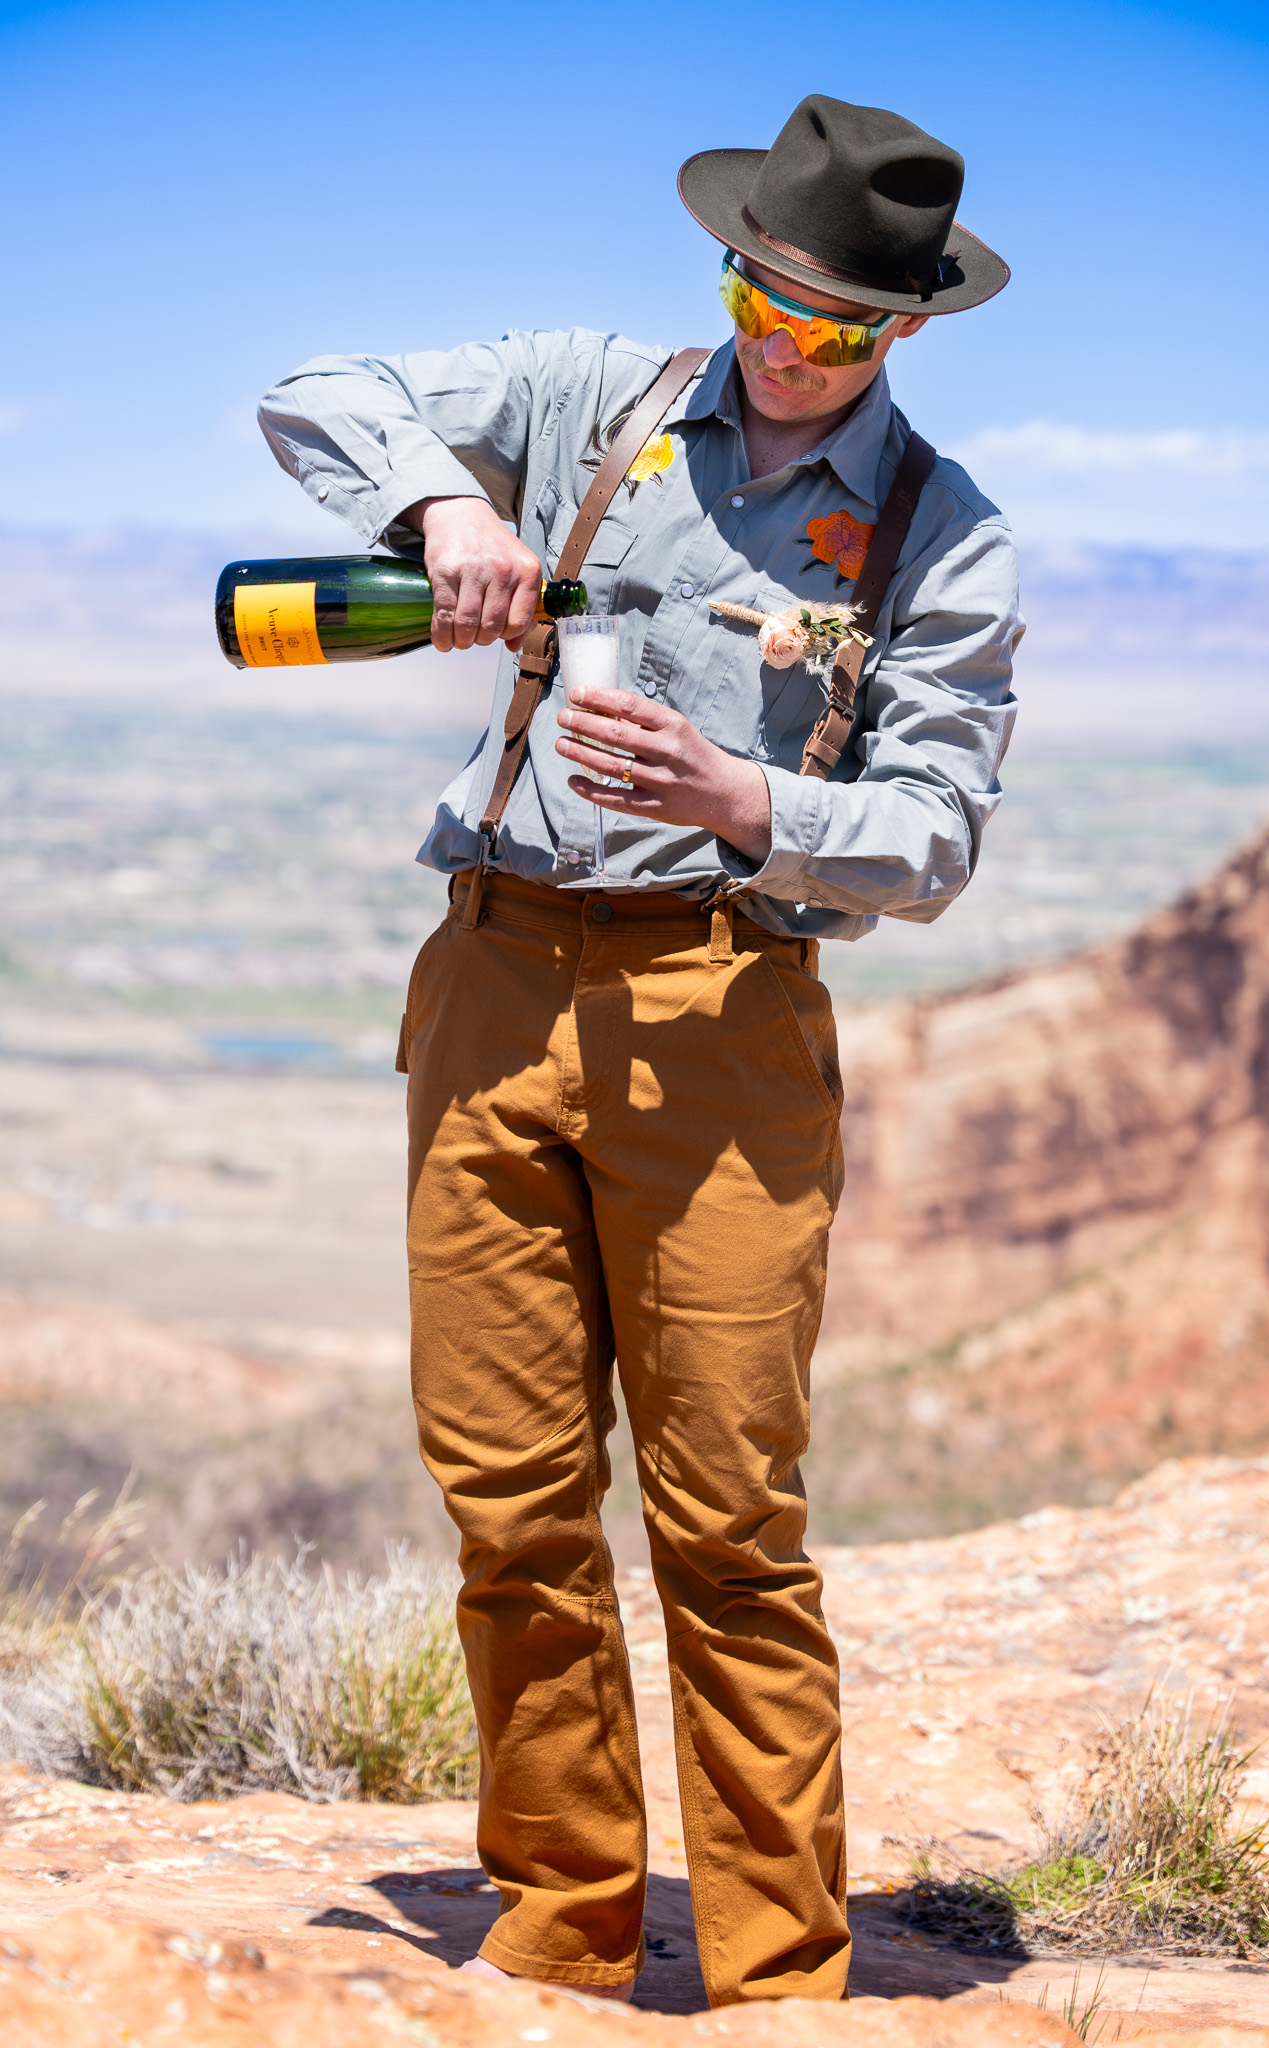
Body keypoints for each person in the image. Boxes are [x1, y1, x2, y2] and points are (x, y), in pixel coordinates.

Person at [258, 93, 1021, 2009]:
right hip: (495, 977)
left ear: (901, 329)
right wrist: (444, 510)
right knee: (508, 1495)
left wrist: (747, 799)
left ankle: (775, 1975)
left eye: (832, 324)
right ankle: (561, 1935)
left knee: (727, 1519)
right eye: (759, 297)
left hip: (726, 1017)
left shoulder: (943, 535)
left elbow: (933, 834)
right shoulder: (592, 397)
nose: (785, 345)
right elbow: (313, 392)